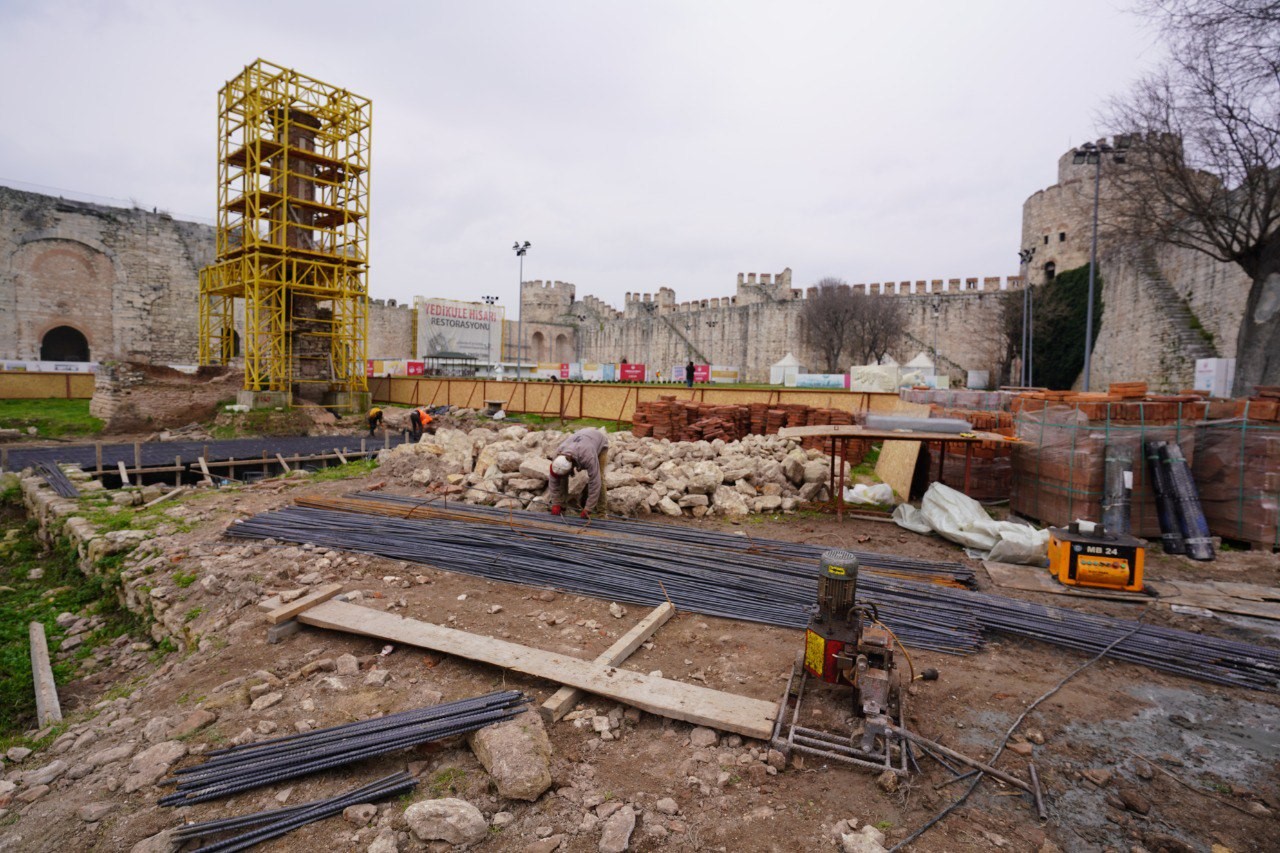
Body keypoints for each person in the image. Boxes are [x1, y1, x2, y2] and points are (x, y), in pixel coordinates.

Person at [546, 427, 610, 518]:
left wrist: (588, 508)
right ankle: (562, 507)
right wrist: (556, 503)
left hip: (598, 441)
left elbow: (595, 482)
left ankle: (602, 513)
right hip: (582, 439)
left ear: (571, 465)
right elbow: (553, 481)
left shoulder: (588, 457)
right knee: (562, 477)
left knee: (600, 477)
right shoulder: (557, 456)